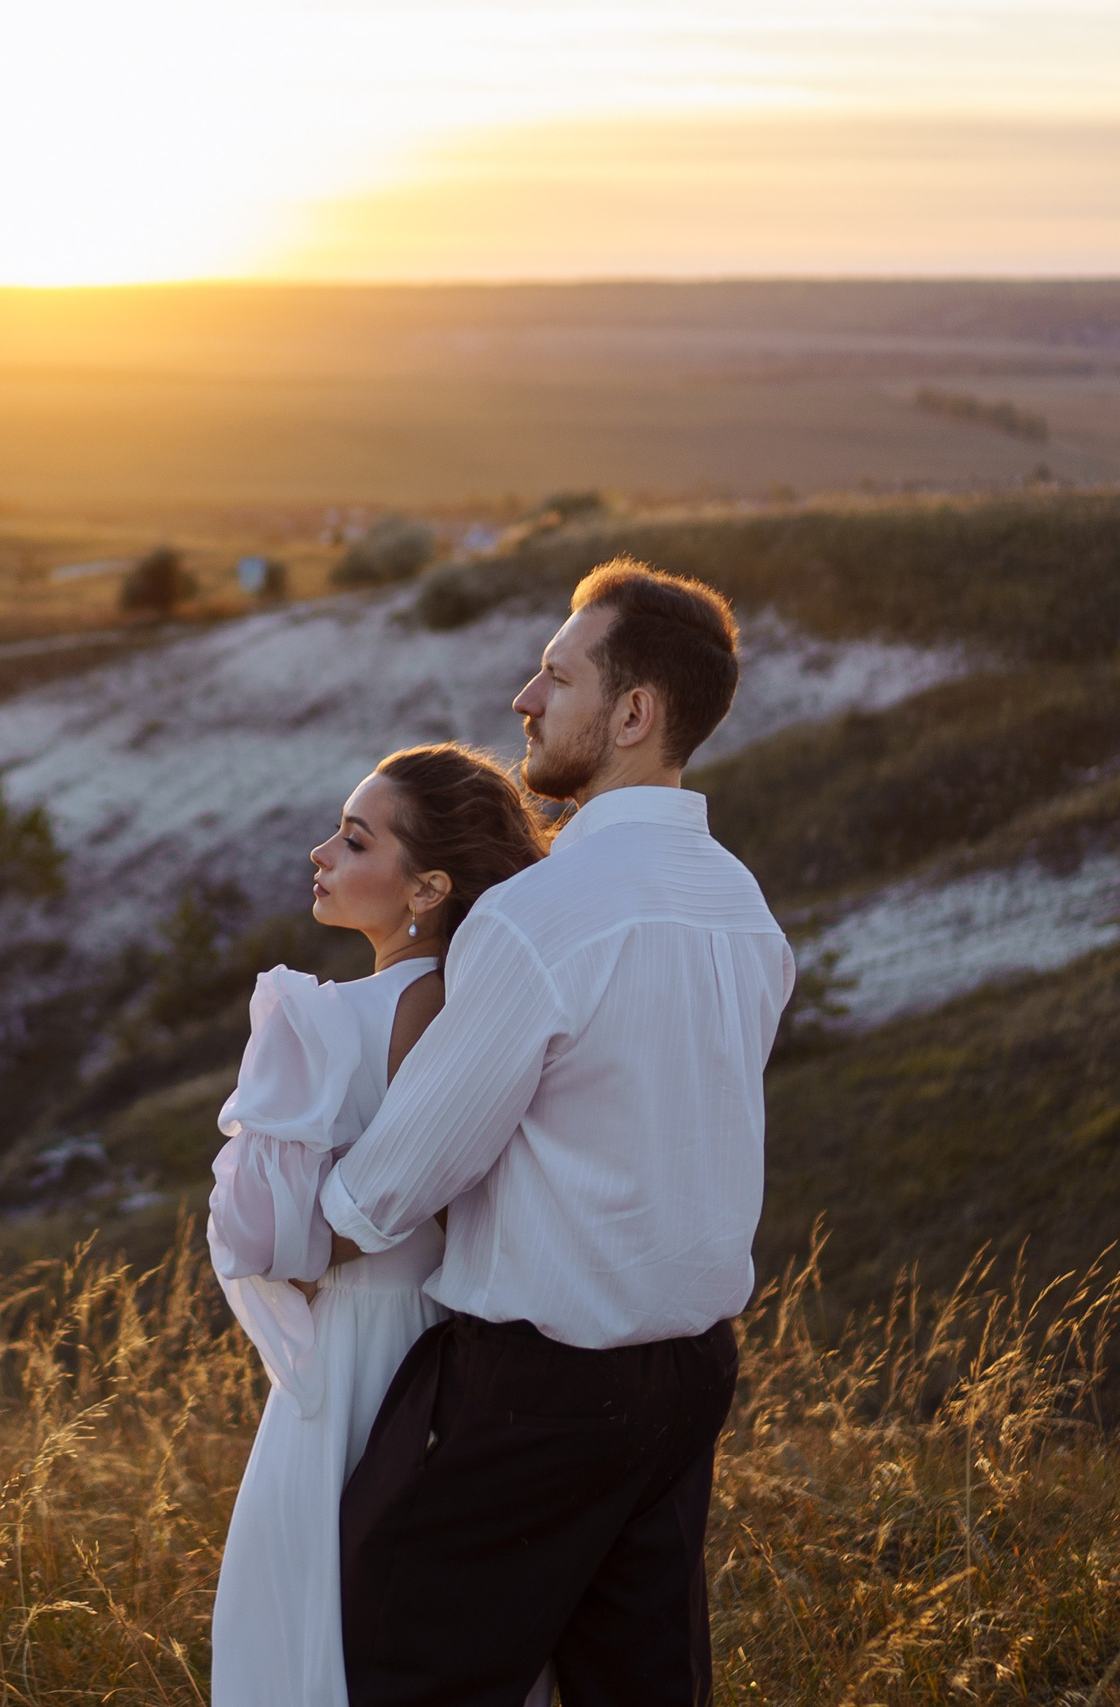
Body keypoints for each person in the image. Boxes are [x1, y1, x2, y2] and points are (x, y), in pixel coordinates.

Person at [324, 559, 796, 1707]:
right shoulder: (744, 910)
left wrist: (291, 1220)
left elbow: (404, 1178)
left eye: (554, 675)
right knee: (633, 1689)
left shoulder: (542, 919)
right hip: (687, 1380)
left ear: (633, 714)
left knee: (399, 1660)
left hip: (536, 1391)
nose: (524, 701)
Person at [206, 743, 553, 1707]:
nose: (320, 851)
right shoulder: (496, 1007)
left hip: (360, 1351)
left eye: (355, 839)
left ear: (428, 885)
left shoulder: (331, 1019)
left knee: (314, 1618)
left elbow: (262, 1235)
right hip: (463, 1340)